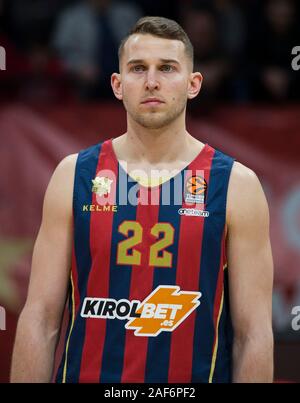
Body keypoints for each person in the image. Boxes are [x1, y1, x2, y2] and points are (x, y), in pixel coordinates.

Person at [10, 16, 274, 383]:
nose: (152, 81)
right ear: (117, 84)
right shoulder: (74, 175)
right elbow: (40, 319)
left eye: (167, 68)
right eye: (138, 69)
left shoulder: (236, 184)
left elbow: (254, 334)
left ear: (193, 83)